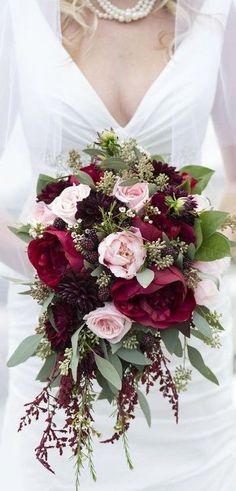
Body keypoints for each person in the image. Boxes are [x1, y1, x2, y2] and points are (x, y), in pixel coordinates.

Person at [0, 1, 236, 490]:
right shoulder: (19, 13)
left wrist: (191, 261)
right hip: (56, 330)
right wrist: (62, 275)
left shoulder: (216, 12)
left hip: (183, 326)